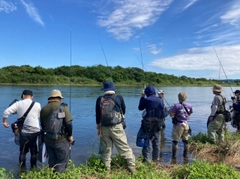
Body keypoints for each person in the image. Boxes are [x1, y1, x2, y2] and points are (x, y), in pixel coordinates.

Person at [95, 82, 135, 173]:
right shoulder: (119, 97)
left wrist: (98, 127)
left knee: (106, 149)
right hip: (116, 127)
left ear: (104, 90)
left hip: (104, 127)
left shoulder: (99, 99)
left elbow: (97, 115)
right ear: (113, 89)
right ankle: (132, 167)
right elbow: (123, 110)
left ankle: (107, 169)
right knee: (124, 147)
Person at [2, 90, 41, 171]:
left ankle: (22, 170)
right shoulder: (37, 104)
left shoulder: (18, 103)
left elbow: (6, 112)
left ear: (23, 96)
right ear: (32, 97)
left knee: (23, 152)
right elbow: (38, 115)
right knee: (34, 152)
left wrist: (4, 122)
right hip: (35, 132)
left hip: (23, 132)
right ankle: (33, 170)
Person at [40, 89, 74, 173]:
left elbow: (42, 125)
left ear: (50, 98)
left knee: (52, 160)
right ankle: (59, 176)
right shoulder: (63, 108)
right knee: (62, 161)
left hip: (48, 139)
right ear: (59, 98)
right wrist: (70, 135)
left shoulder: (43, 109)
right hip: (61, 140)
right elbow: (68, 124)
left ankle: (52, 175)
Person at [138, 85, 165, 164]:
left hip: (147, 125)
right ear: (154, 92)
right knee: (156, 144)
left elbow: (140, 108)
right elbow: (163, 113)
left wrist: (142, 97)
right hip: (157, 125)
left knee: (147, 143)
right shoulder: (160, 100)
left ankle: (145, 161)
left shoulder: (146, 100)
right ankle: (155, 161)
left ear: (146, 93)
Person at [170, 92, 192, 160]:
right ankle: (185, 155)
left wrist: (171, 108)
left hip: (178, 125)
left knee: (175, 141)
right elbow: (189, 114)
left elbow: (171, 114)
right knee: (185, 141)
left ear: (178, 98)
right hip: (186, 124)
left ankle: (174, 156)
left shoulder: (176, 105)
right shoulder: (189, 105)